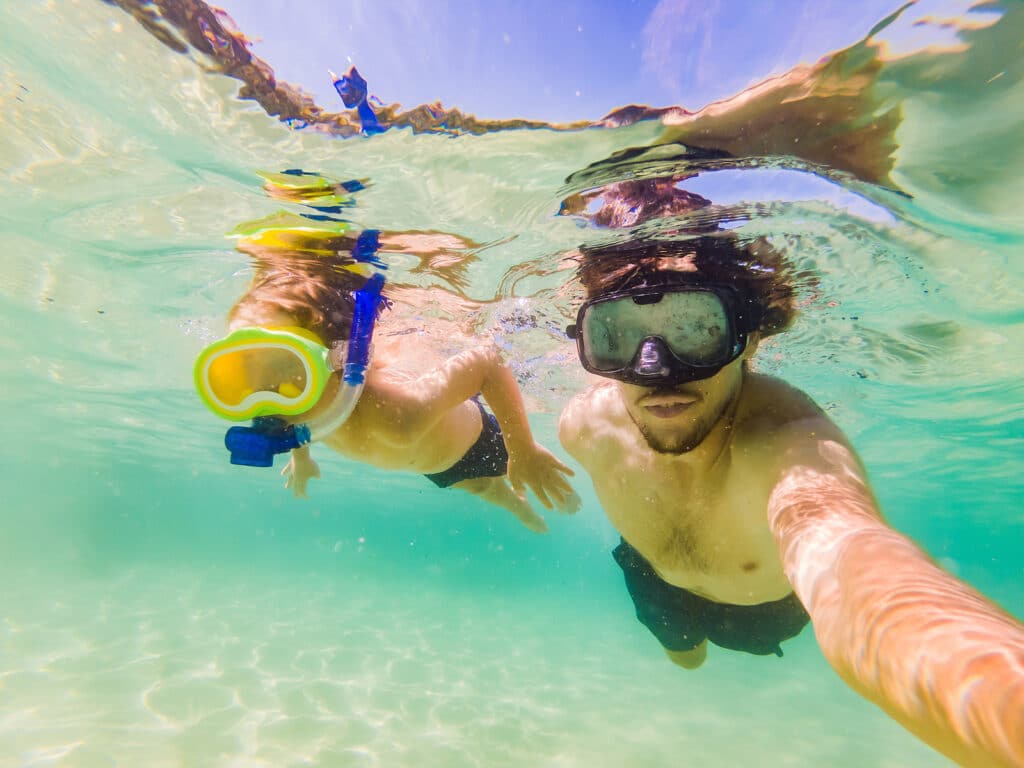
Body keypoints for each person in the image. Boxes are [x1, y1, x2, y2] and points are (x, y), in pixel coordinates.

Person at [557, 234, 1024, 766]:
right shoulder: (582, 425)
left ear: (747, 337)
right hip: (654, 576)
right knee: (685, 660)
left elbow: (849, 555)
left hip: (761, 609)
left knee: (696, 658)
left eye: (694, 331)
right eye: (618, 337)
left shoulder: (789, 441)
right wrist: (523, 456)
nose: (657, 370)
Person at [195, 232, 578, 534]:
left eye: (287, 371)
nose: (266, 401)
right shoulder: (300, 406)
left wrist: (522, 450)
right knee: (479, 489)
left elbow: (488, 361)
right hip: (430, 465)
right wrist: (301, 456)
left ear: (345, 360)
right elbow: (290, 419)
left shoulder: (400, 411)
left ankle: (515, 499)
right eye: (243, 374)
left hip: (476, 445)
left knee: (486, 481)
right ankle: (508, 501)